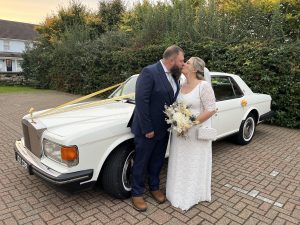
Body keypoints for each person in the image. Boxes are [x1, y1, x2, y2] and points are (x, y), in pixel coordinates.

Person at [128, 45, 185, 211]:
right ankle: (137, 193)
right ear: (171, 59)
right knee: (142, 160)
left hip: (164, 128)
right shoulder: (149, 72)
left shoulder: (175, 77)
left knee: (158, 160)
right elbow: (141, 101)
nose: (183, 63)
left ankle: (154, 187)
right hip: (148, 129)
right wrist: (147, 128)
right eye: (181, 60)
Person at [166, 57, 217, 211]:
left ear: (195, 69)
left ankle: (192, 195)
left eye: (188, 62)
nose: (184, 64)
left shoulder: (204, 86)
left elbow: (211, 109)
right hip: (179, 133)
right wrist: (176, 118)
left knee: (192, 162)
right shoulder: (182, 85)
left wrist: (190, 123)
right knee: (179, 160)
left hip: (194, 134)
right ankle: (176, 192)